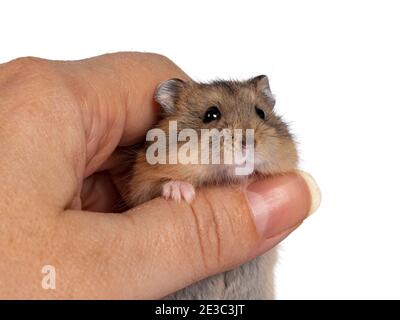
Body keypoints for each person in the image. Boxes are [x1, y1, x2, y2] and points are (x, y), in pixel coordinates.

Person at [0, 52, 321, 299]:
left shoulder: (269, 149)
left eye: (259, 114)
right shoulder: (161, 160)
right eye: (212, 116)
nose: (247, 134)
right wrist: (167, 185)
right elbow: (141, 185)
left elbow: (287, 160)